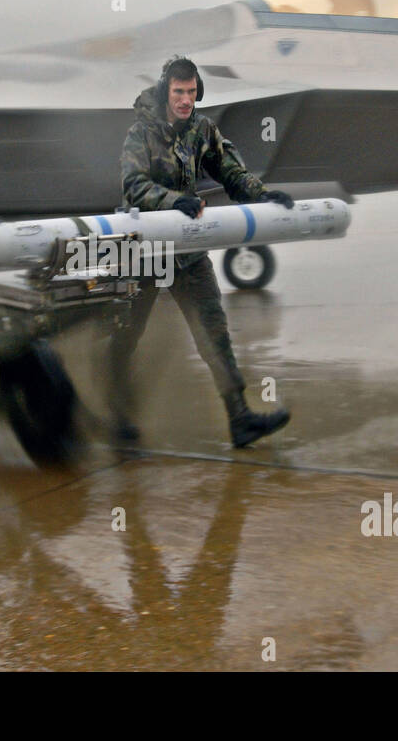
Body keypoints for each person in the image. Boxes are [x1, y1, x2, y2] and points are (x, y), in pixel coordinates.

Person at [109, 55, 294, 448]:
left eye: (192, 92)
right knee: (126, 334)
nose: (186, 100)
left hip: (187, 253)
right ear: (166, 91)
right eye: (179, 92)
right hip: (142, 251)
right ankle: (114, 415)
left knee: (214, 333)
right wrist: (173, 200)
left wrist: (263, 195)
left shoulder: (202, 130)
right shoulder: (139, 134)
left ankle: (240, 419)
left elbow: (231, 170)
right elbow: (132, 185)